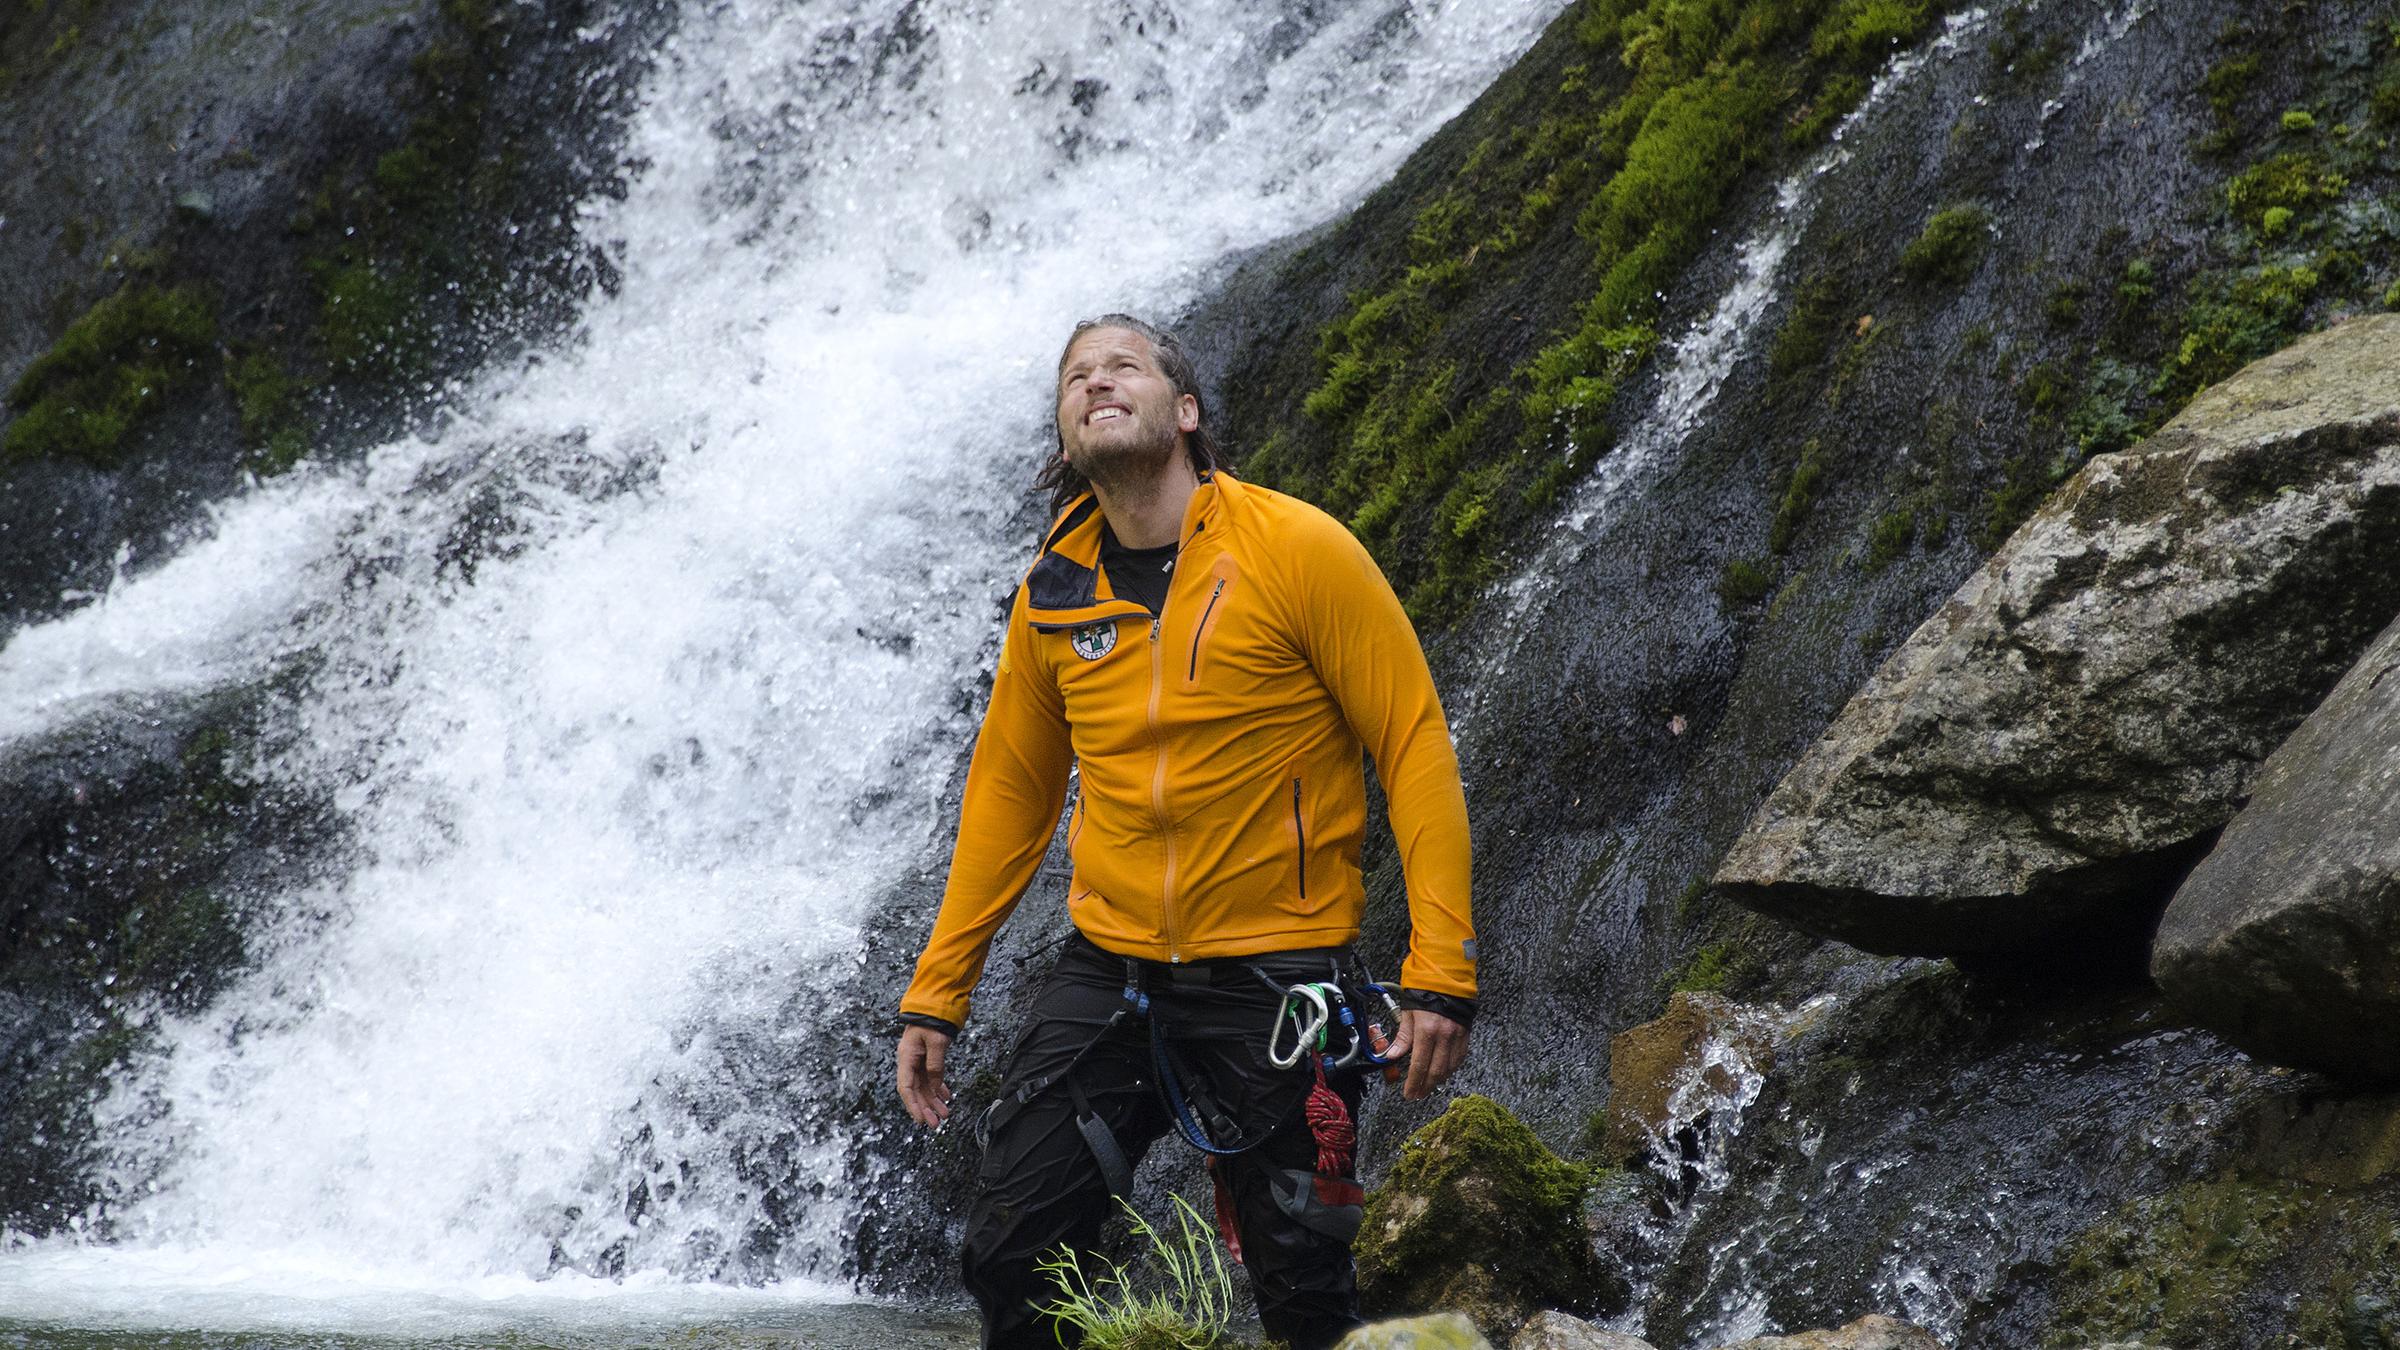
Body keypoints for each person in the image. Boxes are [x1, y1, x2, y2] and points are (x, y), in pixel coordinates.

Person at [894, 313, 1477, 1350]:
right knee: (1011, 1253)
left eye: (1123, 365)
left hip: (1278, 976)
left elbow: (1414, 743)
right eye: (1076, 376)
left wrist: (1441, 968)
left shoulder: (1299, 550)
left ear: (1188, 411)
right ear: (1067, 435)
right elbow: (1010, 796)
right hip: (1113, 972)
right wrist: (938, 992)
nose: (1095, 381)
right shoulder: (1055, 593)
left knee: (1301, 1287)